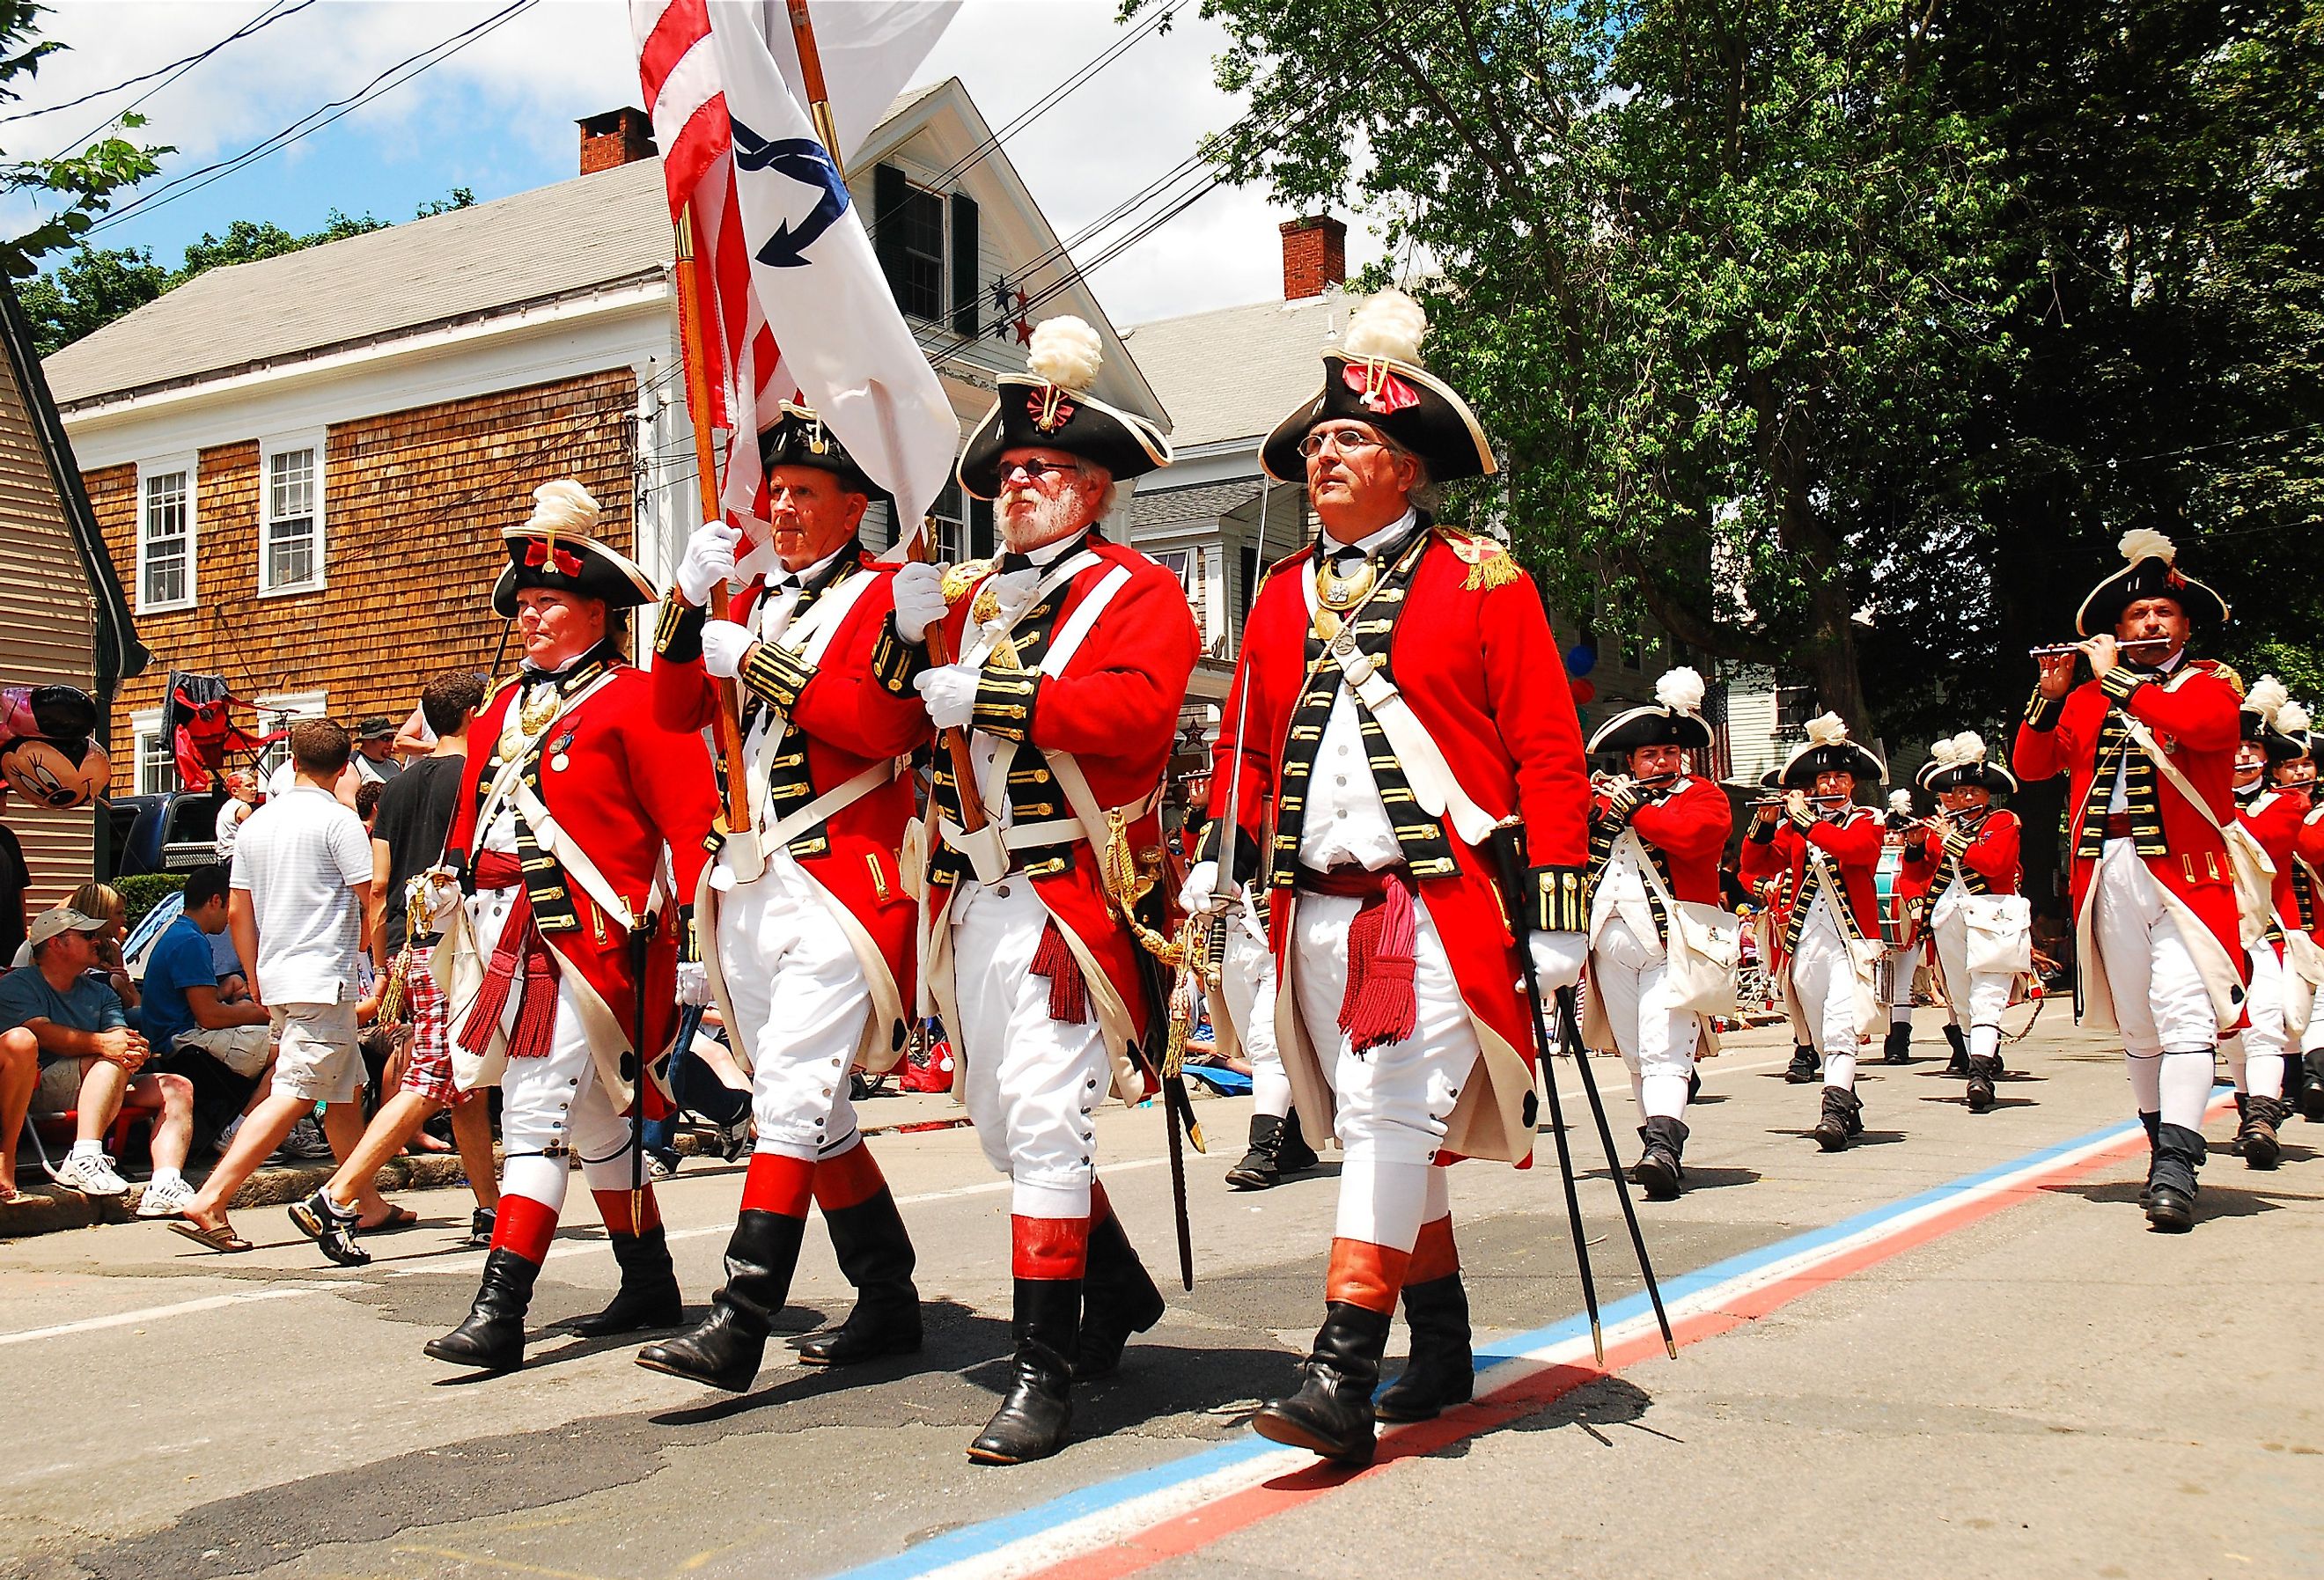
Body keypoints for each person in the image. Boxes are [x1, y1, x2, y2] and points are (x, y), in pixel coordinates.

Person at [1190, 288, 1592, 1466]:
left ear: (1407, 469)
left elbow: (1549, 752)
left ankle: (1339, 1372)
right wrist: (1223, 857)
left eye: (1349, 438)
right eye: (1315, 440)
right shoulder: (1276, 596)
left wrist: (1556, 913)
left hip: (1427, 907)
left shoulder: (1486, 580)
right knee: (1382, 1121)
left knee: (1384, 1119)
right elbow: (1248, 748)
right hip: (1308, 906)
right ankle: (1448, 1341)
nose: (1322, 454)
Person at [903, 318, 1195, 1463]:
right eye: (1009, 470)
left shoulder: (1141, 592)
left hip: (1075, 896)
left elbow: (1134, 720)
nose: (1017, 484)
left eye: (1043, 470)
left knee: (1039, 1116)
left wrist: (996, 695)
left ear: (1094, 486)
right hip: (976, 894)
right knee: (999, 1130)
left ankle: (1044, 1369)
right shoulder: (968, 595)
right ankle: (1115, 1283)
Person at [635, 405, 931, 1392]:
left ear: (857, 505)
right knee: (806, 1101)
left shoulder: (894, 595)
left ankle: (742, 1313)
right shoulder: (747, 596)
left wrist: (755, 662)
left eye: (807, 494)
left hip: (843, 875)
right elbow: (672, 711)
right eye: (779, 493)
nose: (785, 508)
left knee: (795, 1093)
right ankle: (887, 1289)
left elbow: (884, 722)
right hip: (752, 881)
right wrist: (683, 605)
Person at [421, 481, 717, 1371]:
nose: (531, 617)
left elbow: (689, 821)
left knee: (542, 1112)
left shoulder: (634, 700)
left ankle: (501, 1311)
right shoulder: (500, 710)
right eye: (526, 602)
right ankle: (650, 1279)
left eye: (550, 601)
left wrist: (702, 934)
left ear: (599, 608)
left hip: (586, 939)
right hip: (498, 929)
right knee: (595, 1121)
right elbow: (473, 819)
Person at [2014, 529, 2245, 1231]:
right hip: (2107, 871)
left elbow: (2197, 728)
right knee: (2139, 1025)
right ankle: (2163, 1147)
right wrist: (2051, 693)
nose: (2149, 624)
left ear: (2183, 625)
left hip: (2185, 875)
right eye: (2136, 617)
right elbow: (2032, 766)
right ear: (2116, 628)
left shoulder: (2208, 684)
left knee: (2185, 1014)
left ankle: (2177, 1163)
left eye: (2162, 616)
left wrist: (2117, 679)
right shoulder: (2086, 701)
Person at [286, 672, 501, 1265]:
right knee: (434, 1076)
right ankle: (334, 1196)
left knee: (467, 1085)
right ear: (475, 713)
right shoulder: (479, 777)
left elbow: (379, 884)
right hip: (462, 945)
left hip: (412, 944)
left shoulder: (397, 786)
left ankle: (490, 1207)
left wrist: (385, 960)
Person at [168, 718, 386, 1252]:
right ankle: (210, 1197)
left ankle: (367, 1200)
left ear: (292, 759)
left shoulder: (257, 824)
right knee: (296, 1089)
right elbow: (373, 895)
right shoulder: (338, 822)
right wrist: (381, 971)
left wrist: (257, 975)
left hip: (281, 974)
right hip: (323, 973)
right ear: (345, 768)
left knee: (343, 1088)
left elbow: (238, 906)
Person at [1580, 666, 1732, 1198]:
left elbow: (1690, 838)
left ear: (1683, 755)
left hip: (1676, 944)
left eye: (1668, 752)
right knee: (1635, 1051)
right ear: (1632, 761)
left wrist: (1635, 808)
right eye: (1648, 755)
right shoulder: (1609, 798)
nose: (1660, 761)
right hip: (1608, 944)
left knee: (1666, 1047)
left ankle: (1664, 1144)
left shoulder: (1705, 797)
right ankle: (1655, 1143)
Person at [1739, 713, 1887, 1151]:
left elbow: (1857, 852)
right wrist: (1765, 822)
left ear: (1852, 783)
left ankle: (1834, 1113)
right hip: (1806, 938)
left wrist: (1805, 823)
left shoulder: (1868, 817)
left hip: (1850, 937)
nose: (1831, 786)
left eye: (1840, 777)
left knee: (1842, 1025)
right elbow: (1754, 864)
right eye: (1824, 779)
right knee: (1822, 1028)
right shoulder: (1797, 827)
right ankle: (1847, 1098)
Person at [1, 902, 195, 1209]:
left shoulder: (101, 992)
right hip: (40, 1086)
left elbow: (119, 1038)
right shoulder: (18, 985)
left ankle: (165, 1185)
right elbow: (43, 1033)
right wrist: (109, 1046)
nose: (97, 941)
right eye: (85, 935)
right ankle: (85, 1156)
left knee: (178, 1087)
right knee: (111, 1058)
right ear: (55, 943)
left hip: (104, 1082)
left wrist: (134, 1047)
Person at [1903, 733, 2029, 1114]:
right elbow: (1921, 868)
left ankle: (1980, 1074)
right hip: (1949, 919)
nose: (1967, 799)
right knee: (1960, 997)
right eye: (1960, 793)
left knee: (1987, 993)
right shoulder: (1944, 825)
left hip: (1992, 916)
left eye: (1974, 791)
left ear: (1986, 795)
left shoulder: (2003, 820)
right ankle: (1979, 1059)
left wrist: (1950, 838)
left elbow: (1994, 863)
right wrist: (1913, 843)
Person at [2219, 679, 2308, 1168]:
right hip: (2212, 928)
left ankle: (2263, 1118)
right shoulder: (2200, 799)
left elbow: (2264, 843)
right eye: (2231, 750)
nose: (2241, 759)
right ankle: (2249, 1106)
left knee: (2267, 1026)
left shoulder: (2286, 802)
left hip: (2265, 932)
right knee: (2231, 1030)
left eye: (2250, 748)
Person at [140, 862, 273, 1115]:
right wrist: (267, 1012)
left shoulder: (178, 934)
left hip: (171, 1042)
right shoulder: (191, 941)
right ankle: (243, 1129)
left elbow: (187, 1000)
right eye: (231, 905)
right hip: (186, 1043)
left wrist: (221, 991)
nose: (234, 915)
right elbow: (209, 1016)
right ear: (215, 901)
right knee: (294, 1049)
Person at [349, 717, 405, 787]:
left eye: (392, 738)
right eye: (385, 739)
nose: (390, 743)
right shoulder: (353, 765)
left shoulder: (396, 765)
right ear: (368, 740)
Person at [214, 771, 257, 860]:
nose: (255, 788)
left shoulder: (227, 806)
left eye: (255, 785)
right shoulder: (243, 808)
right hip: (236, 857)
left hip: (223, 857)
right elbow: (254, 836)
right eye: (249, 786)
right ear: (235, 791)